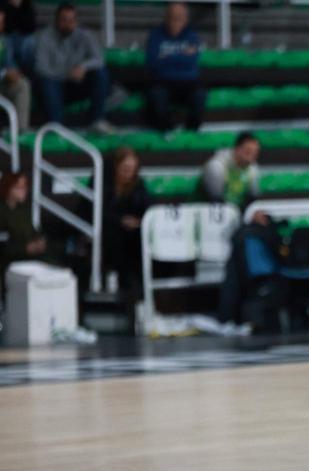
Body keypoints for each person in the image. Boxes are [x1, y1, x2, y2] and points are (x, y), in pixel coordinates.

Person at [32, 2, 112, 132]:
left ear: (76, 21)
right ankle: (56, 127)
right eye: (64, 20)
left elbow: (99, 59)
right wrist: (66, 73)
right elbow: (40, 68)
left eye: (71, 20)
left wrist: (82, 67)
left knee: (101, 74)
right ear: (56, 20)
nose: (68, 24)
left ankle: (96, 120)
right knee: (47, 83)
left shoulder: (85, 35)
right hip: (54, 85)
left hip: (76, 84)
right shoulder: (44, 37)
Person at [144, 1, 205, 132]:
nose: (175, 21)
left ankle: (191, 131)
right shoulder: (156, 35)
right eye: (172, 17)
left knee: (200, 95)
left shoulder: (192, 36)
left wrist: (166, 57)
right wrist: (182, 55)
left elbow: (192, 60)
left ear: (186, 19)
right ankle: (166, 130)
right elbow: (153, 62)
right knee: (156, 95)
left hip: (188, 81)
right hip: (162, 81)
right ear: (166, 17)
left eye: (179, 17)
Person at [100, 146, 150, 295]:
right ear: (116, 166)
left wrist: (140, 222)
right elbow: (95, 212)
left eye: (133, 169)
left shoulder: (138, 185)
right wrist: (120, 221)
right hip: (109, 232)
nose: (129, 173)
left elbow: (148, 207)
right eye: (125, 168)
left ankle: (138, 291)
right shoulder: (101, 182)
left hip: (131, 237)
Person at [0, 171, 46, 271]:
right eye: (19, 187)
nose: (24, 190)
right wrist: (25, 248)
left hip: (29, 258)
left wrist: (39, 241)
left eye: (25, 186)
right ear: (8, 188)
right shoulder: (2, 211)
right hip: (10, 261)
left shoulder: (23, 209)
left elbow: (33, 230)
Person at [201, 131, 260, 209]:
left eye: (255, 154)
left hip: (238, 211)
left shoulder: (252, 168)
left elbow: (253, 198)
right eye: (247, 152)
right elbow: (215, 199)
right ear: (237, 149)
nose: (250, 159)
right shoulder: (217, 166)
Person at [0, 8, 32, 130]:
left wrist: (14, 72)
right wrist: (4, 74)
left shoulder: (4, 41)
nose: (0, 26)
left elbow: (9, 63)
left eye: (2, 23)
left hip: (2, 87)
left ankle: (20, 132)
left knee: (22, 84)